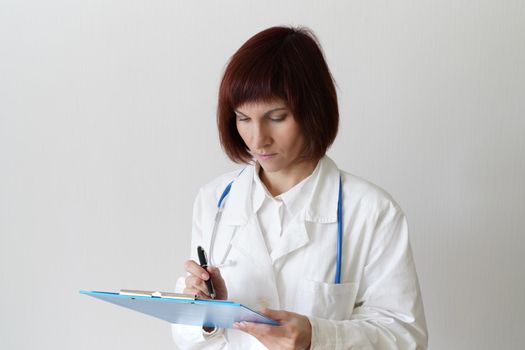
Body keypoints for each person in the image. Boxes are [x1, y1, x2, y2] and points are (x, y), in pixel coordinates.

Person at [171, 26, 428, 349]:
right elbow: (185, 335)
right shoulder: (213, 201)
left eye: (276, 117)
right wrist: (208, 313)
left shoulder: (372, 212)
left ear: (313, 110)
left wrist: (317, 337)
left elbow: (406, 337)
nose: (257, 139)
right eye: (243, 118)